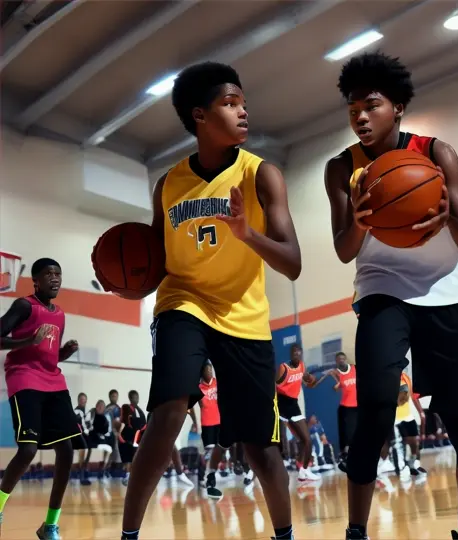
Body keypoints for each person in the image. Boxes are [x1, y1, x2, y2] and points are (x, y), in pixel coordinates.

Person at [120, 61, 301, 540]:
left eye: (243, 102)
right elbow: (156, 263)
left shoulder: (262, 175)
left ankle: (284, 533)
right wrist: (129, 284)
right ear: (199, 115)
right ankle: (129, 535)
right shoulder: (169, 184)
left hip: (243, 314)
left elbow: (292, 262)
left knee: (260, 446)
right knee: (169, 412)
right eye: (230, 103)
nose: (243, 112)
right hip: (183, 303)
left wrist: (247, 234)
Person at [325, 52, 458, 540]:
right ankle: (357, 531)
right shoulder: (341, 169)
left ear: (397, 107)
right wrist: (359, 215)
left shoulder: (437, 153)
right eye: (353, 108)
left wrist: (446, 219)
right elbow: (344, 251)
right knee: (374, 405)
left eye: (370, 105)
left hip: (443, 291)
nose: (360, 116)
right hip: (381, 288)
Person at [0, 258, 80, 540]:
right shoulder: (24, 306)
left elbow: (49, 353)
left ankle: (50, 525)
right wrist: (26, 342)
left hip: (53, 380)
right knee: (28, 450)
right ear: (35, 280)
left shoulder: (60, 314)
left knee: (67, 451)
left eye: (58, 274)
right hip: (24, 377)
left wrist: (64, 354)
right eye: (48, 274)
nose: (55, 278)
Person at [276, 344, 322, 481]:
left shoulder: (302, 366)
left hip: (293, 405)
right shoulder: (283, 367)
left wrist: (312, 381)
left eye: (299, 353)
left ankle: (304, 470)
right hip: (281, 404)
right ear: (291, 354)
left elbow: (307, 379)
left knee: (305, 440)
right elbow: (274, 385)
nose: (297, 355)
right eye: (295, 353)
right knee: (283, 439)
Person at [198, 361, 227, 499]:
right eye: (207, 371)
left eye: (211, 370)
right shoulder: (198, 387)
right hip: (207, 423)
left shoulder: (218, 383)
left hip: (219, 422)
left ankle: (207, 474)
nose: (209, 373)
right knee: (209, 452)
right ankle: (208, 477)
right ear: (202, 373)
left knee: (219, 450)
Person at [326, 352, 358, 470]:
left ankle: (358, 458)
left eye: (343, 358)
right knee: (348, 435)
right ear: (336, 361)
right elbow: (336, 387)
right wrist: (336, 383)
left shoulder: (355, 368)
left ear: (346, 359)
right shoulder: (336, 374)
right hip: (346, 408)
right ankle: (346, 459)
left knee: (358, 433)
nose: (341, 361)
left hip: (358, 407)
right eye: (339, 359)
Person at [118, 390, 147, 486]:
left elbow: (144, 425)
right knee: (128, 459)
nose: (136, 399)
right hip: (127, 437)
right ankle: (127, 476)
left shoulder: (140, 410)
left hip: (137, 438)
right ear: (130, 398)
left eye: (137, 397)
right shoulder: (126, 408)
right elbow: (123, 423)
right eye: (134, 397)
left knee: (136, 457)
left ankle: (134, 477)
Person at [84, 399, 115, 482]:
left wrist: (101, 434)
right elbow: (87, 425)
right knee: (89, 451)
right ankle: (85, 471)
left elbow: (105, 430)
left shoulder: (104, 418)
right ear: (96, 406)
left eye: (102, 407)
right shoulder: (91, 413)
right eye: (99, 406)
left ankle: (102, 471)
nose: (100, 408)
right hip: (90, 438)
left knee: (108, 449)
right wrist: (95, 432)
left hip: (100, 440)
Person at [73, 392, 92, 486]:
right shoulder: (76, 411)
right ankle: (81, 475)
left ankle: (84, 470)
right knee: (82, 450)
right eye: (81, 400)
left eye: (84, 400)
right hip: (78, 435)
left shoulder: (87, 411)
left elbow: (88, 424)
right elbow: (79, 425)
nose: (83, 401)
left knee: (89, 448)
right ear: (78, 401)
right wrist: (86, 430)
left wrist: (89, 430)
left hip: (86, 434)